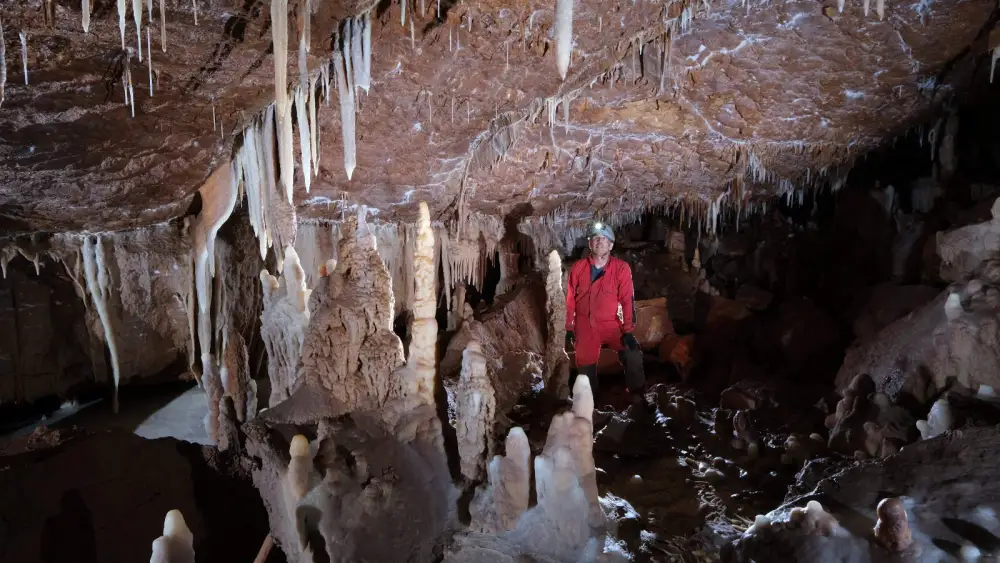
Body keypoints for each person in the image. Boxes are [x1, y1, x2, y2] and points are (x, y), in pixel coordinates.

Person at [564, 221, 645, 401]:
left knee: (632, 353)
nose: (599, 241)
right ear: (590, 243)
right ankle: (591, 405)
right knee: (585, 369)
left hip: (610, 323)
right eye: (595, 238)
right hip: (584, 324)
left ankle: (637, 395)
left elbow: (627, 300)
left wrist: (628, 331)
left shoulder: (621, 268)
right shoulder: (578, 268)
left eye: (604, 238)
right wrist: (569, 327)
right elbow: (570, 300)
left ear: (611, 245)